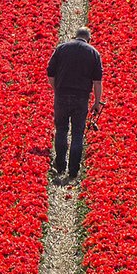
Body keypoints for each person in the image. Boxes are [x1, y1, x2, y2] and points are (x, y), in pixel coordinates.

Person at [46, 26, 103, 180]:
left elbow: (50, 73)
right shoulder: (93, 53)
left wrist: (56, 89)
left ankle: (60, 166)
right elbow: (97, 82)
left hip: (62, 94)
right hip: (81, 97)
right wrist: (97, 103)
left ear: (74, 36)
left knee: (62, 130)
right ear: (89, 39)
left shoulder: (62, 48)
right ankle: (73, 171)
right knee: (78, 134)